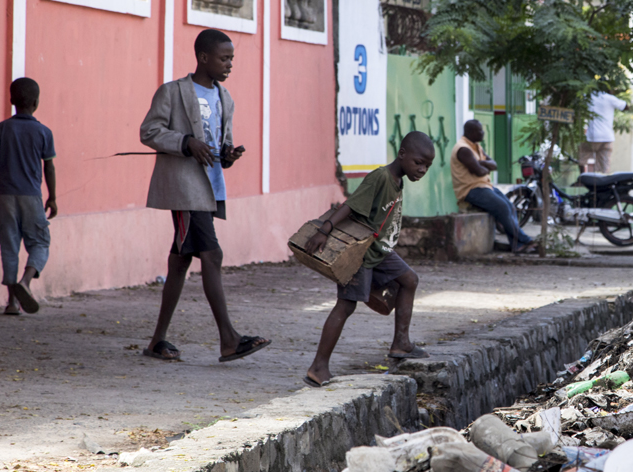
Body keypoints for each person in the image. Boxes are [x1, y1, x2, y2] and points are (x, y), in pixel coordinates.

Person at [138, 29, 269, 362]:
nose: (229, 65)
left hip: (209, 187)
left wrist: (228, 155)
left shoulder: (226, 99)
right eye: (224, 58)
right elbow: (149, 131)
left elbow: (219, 142)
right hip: (184, 190)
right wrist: (185, 142)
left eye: (232, 59)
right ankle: (229, 339)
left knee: (181, 261)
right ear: (203, 57)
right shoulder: (173, 92)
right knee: (212, 255)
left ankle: (157, 342)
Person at [301, 131, 435, 387]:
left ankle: (401, 343)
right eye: (419, 163)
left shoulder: (398, 179)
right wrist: (324, 230)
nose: (422, 169)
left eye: (427, 166)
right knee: (346, 306)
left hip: (380, 250)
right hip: (360, 253)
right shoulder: (381, 177)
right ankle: (318, 367)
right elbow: (350, 205)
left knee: (409, 280)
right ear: (402, 154)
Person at [0, 78, 56, 315]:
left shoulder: (2, 128)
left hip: (5, 196)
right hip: (31, 196)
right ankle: (26, 281)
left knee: (9, 244)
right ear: (36, 103)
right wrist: (52, 197)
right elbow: (49, 167)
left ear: (11, 101)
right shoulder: (44, 132)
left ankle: (12, 302)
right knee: (40, 241)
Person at [451, 120, 534, 252]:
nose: (483, 133)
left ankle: (517, 245)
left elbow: (494, 165)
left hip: (485, 186)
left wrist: (480, 163)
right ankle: (525, 240)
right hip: (470, 190)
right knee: (502, 208)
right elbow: (478, 171)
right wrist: (483, 165)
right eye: (480, 131)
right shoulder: (463, 149)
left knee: (510, 206)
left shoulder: (476, 146)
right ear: (471, 132)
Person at [579, 91, 628, 173]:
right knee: (604, 164)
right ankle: (603, 181)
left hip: (591, 137)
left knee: (582, 157)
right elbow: (625, 106)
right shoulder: (610, 98)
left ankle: (581, 178)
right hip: (607, 137)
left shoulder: (588, 96)